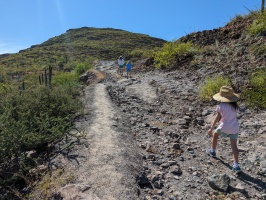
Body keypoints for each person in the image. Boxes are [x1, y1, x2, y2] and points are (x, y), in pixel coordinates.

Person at [206, 86, 241, 173]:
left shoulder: (221, 105)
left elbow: (217, 118)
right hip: (234, 127)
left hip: (224, 126)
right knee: (234, 146)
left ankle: (213, 151)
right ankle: (236, 165)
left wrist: (211, 128)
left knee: (215, 135)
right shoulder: (235, 105)